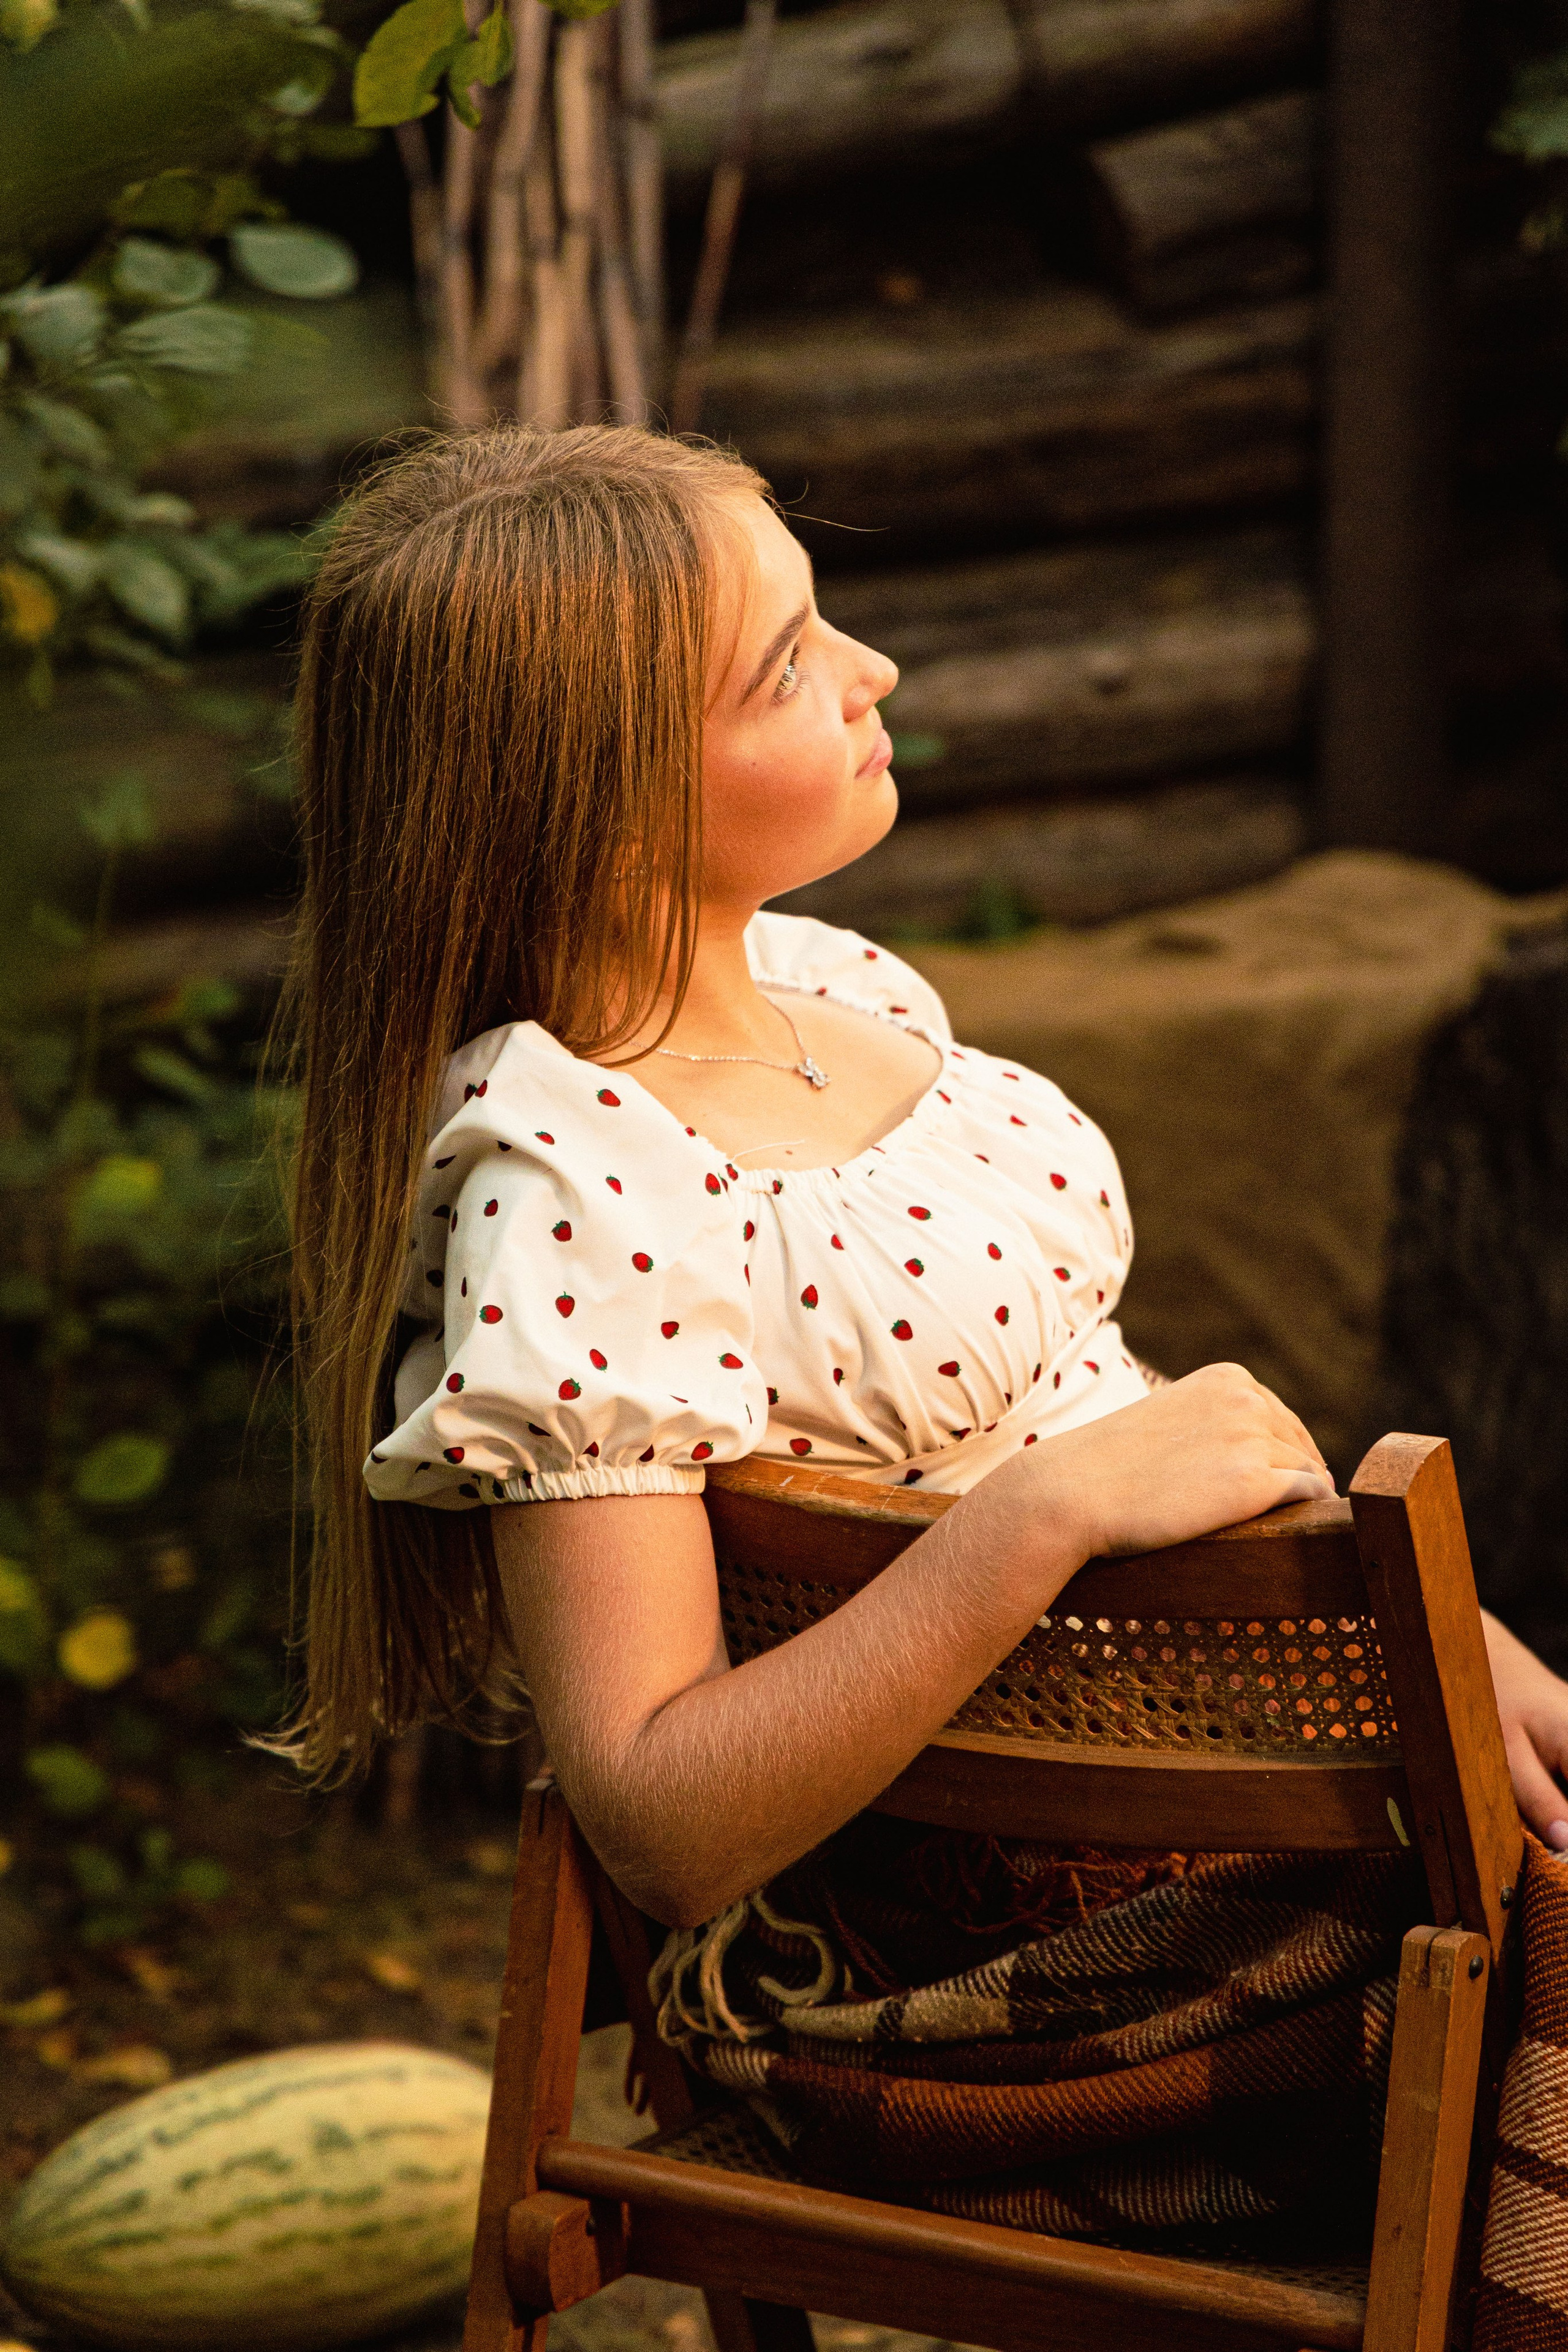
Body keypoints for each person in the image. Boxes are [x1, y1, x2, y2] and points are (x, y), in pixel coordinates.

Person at [282, 421, 1568, 1939]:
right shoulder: (583, 1197)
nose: (870, 668)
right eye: (785, 667)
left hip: (1255, 1734)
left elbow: (1068, 1402)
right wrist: (1040, 1519)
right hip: (1067, 1915)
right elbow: (658, 1821)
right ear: (602, 803)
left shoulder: (839, 994)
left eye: (822, 615)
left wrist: (1415, 1628)